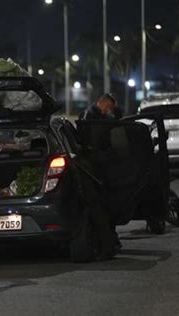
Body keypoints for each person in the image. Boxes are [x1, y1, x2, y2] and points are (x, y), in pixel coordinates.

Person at [78, 93, 122, 258]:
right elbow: (96, 143)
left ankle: (109, 243)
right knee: (101, 210)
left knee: (102, 211)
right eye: (109, 107)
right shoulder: (92, 117)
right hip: (93, 169)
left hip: (92, 168)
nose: (109, 111)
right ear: (102, 103)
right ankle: (107, 246)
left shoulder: (91, 115)